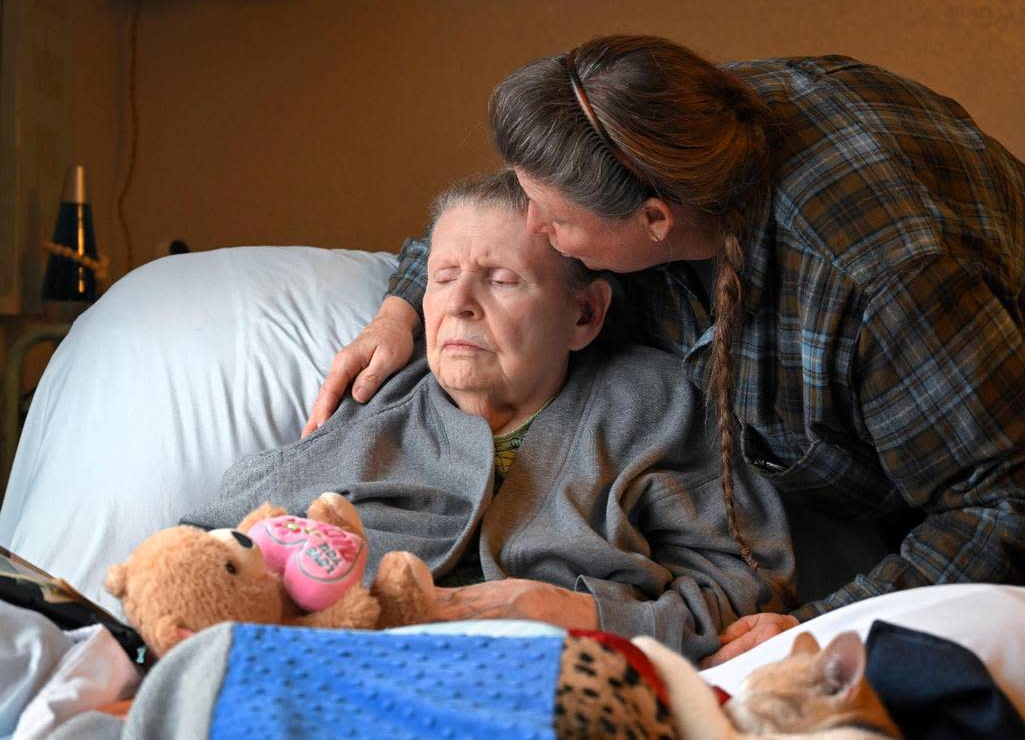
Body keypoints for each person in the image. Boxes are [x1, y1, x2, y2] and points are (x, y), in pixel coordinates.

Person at [305, 36, 1025, 665]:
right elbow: (496, 219)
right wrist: (401, 303)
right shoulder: (669, 133)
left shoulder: (875, 275)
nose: (531, 232)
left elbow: (1012, 502)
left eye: (549, 222)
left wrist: (820, 624)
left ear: (653, 224)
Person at [185, 170, 794, 661]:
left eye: (501, 280)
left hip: (572, 687)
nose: (459, 304)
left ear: (585, 314)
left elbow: (740, 584)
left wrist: (582, 617)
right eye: (443, 277)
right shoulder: (379, 403)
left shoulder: (650, 405)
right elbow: (208, 546)